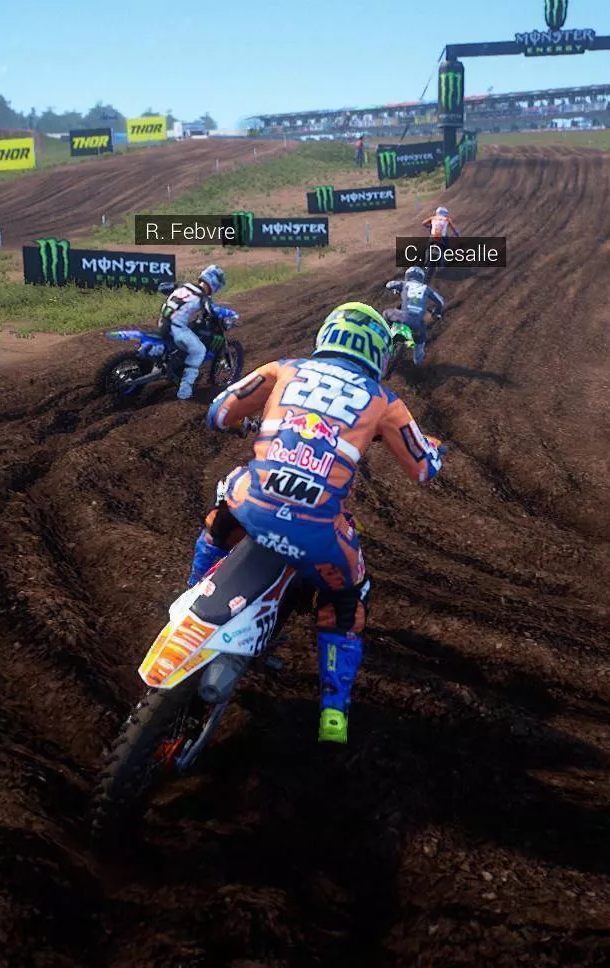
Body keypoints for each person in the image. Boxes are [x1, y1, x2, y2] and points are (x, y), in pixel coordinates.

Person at [187, 303, 447, 744]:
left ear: (327, 335)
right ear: (379, 352)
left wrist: (248, 420)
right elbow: (424, 469)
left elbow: (217, 413)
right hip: (318, 534)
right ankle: (333, 713)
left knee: (222, 506)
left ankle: (193, 592)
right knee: (347, 598)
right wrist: (435, 449)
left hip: (250, 508)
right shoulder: (385, 400)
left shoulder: (284, 368)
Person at [160, 264, 226, 400]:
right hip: (177, 329)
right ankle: (185, 392)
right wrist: (228, 314)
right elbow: (212, 312)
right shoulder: (203, 298)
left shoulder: (184, 286)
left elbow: (163, 287)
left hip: (162, 322)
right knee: (199, 350)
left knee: (189, 333)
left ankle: (174, 366)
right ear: (215, 283)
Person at [383, 265, 446, 366]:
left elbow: (389, 284)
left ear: (408, 276)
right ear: (421, 278)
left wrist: (395, 289)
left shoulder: (404, 284)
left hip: (402, 316)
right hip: (418, 323)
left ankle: (384, 338)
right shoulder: (426, 288)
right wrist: (437, 313)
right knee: (419, 345)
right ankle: (418, 361)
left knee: (386, 313)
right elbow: (441, 302)